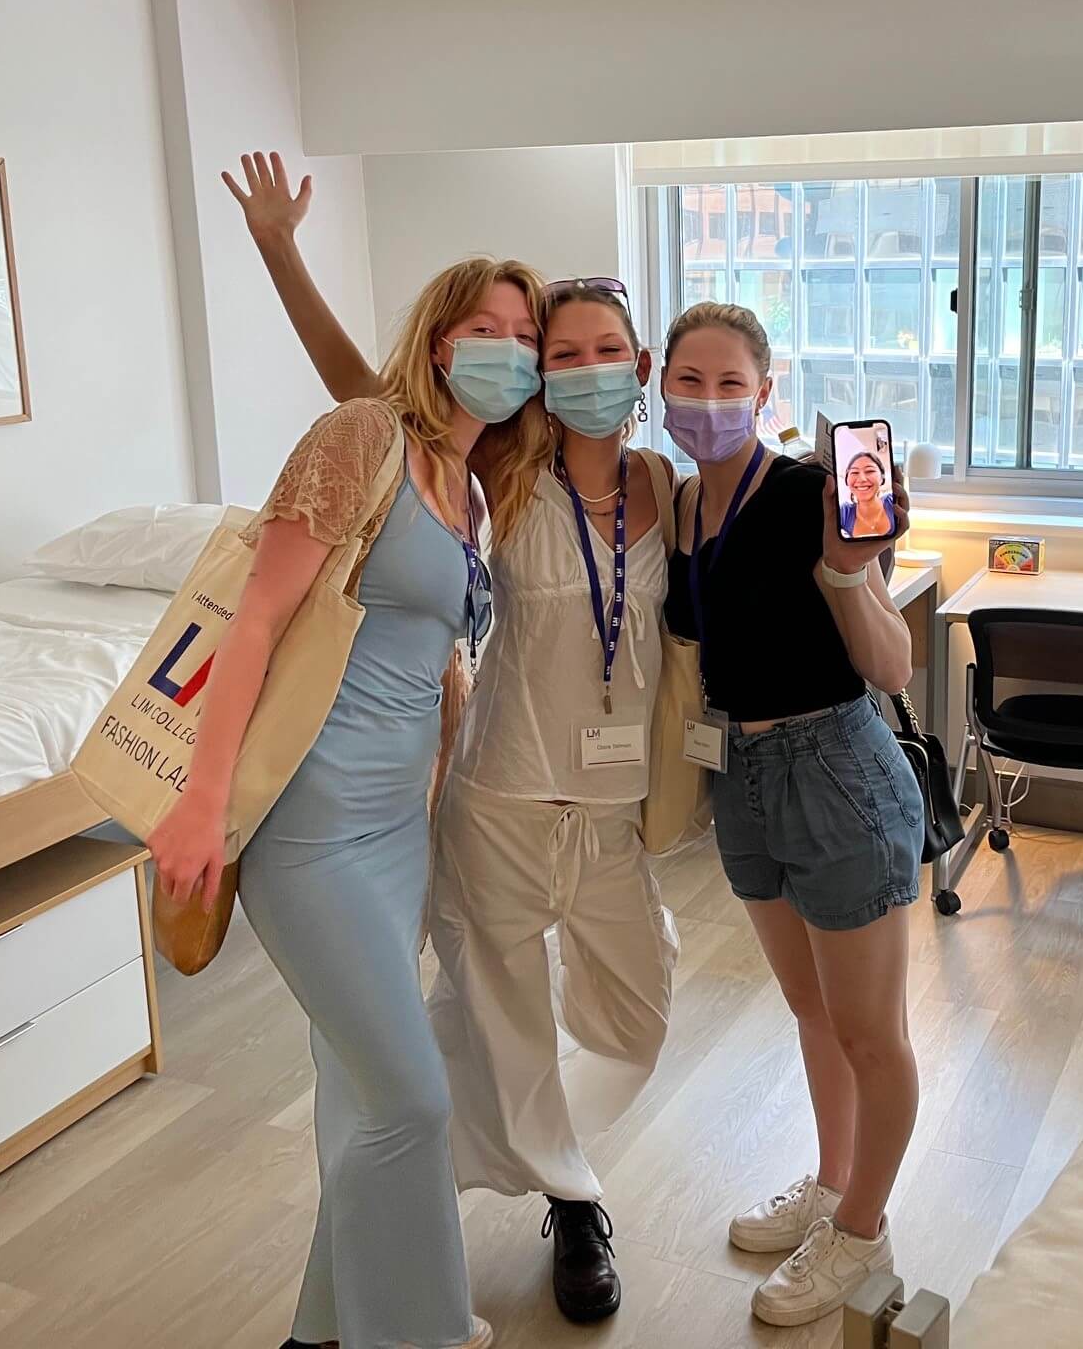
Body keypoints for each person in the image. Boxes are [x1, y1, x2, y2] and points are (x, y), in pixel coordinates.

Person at [225, 153, 680, 1325]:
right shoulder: (498, 471)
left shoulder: (664, 487)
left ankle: (512, 1153)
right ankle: (569, 1201)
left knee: (633, 1013)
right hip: (487, 795)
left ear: (639, 370)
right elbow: (368, 401)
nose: (570, 369)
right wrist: (281, 253)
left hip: (611, 808)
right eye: (550, 349)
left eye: (593, 351)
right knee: (474, 1026)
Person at [147, 245, 548, 1349]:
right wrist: (200, 799)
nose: (507, 354)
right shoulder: (365, 437)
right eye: (487, 331)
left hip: (395, 833)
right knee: (413, 1102)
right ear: (435, 343)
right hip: (311, 826)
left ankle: (320, 1332)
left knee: (363, 1096)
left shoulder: (470, 487)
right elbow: (259, 619)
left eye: (525, 339)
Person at [659, 301, 926, 1329]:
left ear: (767, 397)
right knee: (813, 1011)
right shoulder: (682, 505)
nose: (711, 401)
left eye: (733, 385)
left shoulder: (814, 491)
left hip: (835, 768)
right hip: (743, 773)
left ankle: (862, 1233)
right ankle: (829, 1183)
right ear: (663, 388)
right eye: (690, 380)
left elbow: (893, 667)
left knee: (871, 1033)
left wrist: (845, 572)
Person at [838, 450, 896, 540]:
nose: (862, 479)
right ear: (847, 480)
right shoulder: (843, 513)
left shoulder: (893, 501)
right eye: (854, 472)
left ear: (882, 478)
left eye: (869, 471)